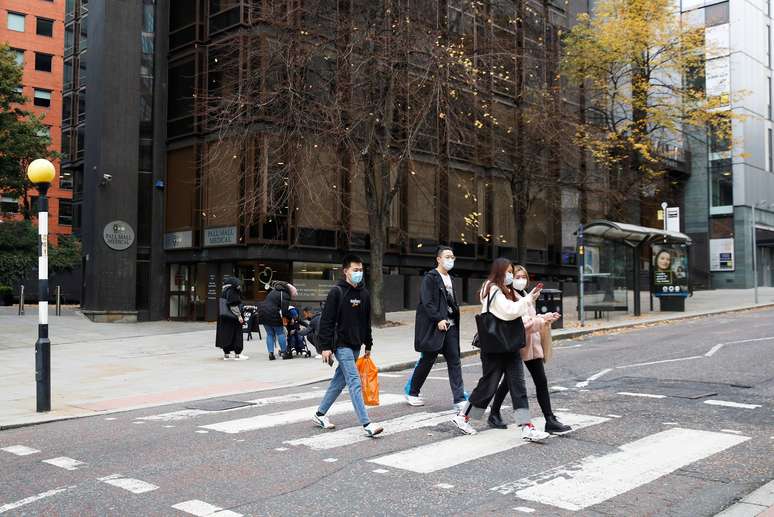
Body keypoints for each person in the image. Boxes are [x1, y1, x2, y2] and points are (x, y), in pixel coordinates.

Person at [452, 258, 549, 442]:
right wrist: (529, 299)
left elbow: (516, 313)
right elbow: (509, 311)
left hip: (510, 345)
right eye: (508, 272)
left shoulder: (506, 290)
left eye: (512, 272)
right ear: (498, 272)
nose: (511, 276)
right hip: (495, 346)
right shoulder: (493, 289)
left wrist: (530, 300)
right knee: (488, 386)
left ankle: (526, 426)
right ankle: (463, 416)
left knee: (518, 386)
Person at [487, 265, 570, 434]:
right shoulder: (507, 297)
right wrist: (540, 322)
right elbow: (521, 324)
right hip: (516, 346)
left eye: (524, 276)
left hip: (531, 344)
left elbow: (531, 319)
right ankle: (474, 415)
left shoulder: (525, 295)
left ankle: (546, 419)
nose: (521, 280)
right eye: (516, 276)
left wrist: (545, 318)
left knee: (537, 382)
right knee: (495, 386)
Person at [313, 254, 383, 437]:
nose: (359, 273)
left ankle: (319, 414)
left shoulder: (364, 294)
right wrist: (325, 347)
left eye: (361, 270)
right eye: (355, 270)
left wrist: (368, 344)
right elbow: (326, 322)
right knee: (354, 381)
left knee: (339, 381)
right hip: (340, 344)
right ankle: (367, 424)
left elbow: (366, 322)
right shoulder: (337, 292)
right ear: (346, 271)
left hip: (356, 345)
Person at [405, 246, 466, 412]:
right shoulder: (431, 278)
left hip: (451, 326)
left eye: (452, 257)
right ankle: (412, 392)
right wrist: (438, 319)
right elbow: (427, 302)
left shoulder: (450, 278)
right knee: (427, 360)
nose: (450, 260)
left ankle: (459, 398)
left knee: (454, 361)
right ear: (438, 259)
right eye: (447, 257)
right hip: (436, 327)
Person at [258, 281, 297, 360]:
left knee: (269, 334)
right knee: (280, 333)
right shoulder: (285, 294)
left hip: (262, 312)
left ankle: (271, 354)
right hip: (273, 313)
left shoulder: (273, 291)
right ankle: (284, 353)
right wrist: (290, 318)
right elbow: (284, 311)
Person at [215, 276, 248, 361]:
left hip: (224, 317)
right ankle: (238, 354)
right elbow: (233, 305)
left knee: (226, 335)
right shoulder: (232, 291)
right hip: (233, 318)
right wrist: (239, 316)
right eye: (238, 284)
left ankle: (226, 354)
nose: (239, 286)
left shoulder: (224, 291)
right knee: (237, 334)